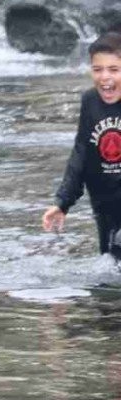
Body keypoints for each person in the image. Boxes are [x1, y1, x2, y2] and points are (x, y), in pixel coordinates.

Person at [41, 31, 121, 258]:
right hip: (104, 201)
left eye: (114, 69)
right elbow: (81, 153)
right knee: (111, 263)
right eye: (98, 69)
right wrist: (63, 202)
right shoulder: (90, 101)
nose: (105, 77)